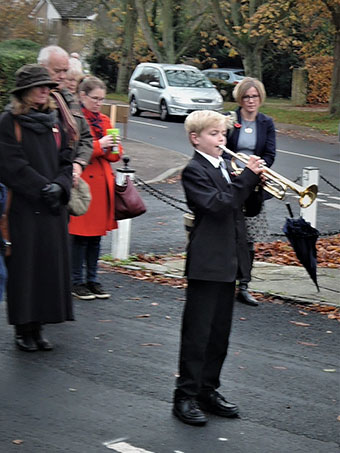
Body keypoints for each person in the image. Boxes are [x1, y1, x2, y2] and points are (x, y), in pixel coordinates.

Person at [173, 110, 265, 426]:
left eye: (223, 134)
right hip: (206, 261)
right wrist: (247, 179)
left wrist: (258, 184)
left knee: (218, 336)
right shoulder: (193, 171)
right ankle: (184, 396)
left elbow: (248, 208)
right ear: (195, 138)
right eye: (213, 134)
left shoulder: (228, 167)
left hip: (230, 260)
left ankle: (207, 391)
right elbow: (218, 206)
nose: (221, 140)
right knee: (197, 335)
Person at [0, 64, 74, 351]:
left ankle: (39, 325)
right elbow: (10, 164)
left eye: (48, 86)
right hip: (23, 208)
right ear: (24, 92)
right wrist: (43, 187)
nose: (46, 90)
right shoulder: (9, 122)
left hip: (53, 208)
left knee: (47, 267)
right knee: (24, 267)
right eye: (39, 86)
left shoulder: (55, 122)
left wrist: (61, 186)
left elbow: (66, 159)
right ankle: (23, 327)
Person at [68, 76, 123, 300]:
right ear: (82, 96)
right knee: (80, 237)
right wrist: (99, 147)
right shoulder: (75, 119)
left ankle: (92, 279)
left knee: (96, 238)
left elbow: (117, 154)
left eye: (102, 99)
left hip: (102, 187)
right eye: (95, 98)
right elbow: (74, 152)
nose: (99, 103)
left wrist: (112, 148)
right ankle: (76, 281)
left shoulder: (104, 120)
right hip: (84, 185)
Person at [225, 77, 276, 306]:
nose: (250, 100)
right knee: (228, 235)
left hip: (253, 185)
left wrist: (256, 168)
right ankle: (226, 281)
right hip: (232, 182)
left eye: (254, 96)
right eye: (246, 96)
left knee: (248, 240)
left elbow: (270, 154)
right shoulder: (229, 120)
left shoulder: (267, 123)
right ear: (240, 98)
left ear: (260, 97)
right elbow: (222, 149)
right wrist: (235, 169)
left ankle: (244, 285)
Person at [37, 45, 93, 188]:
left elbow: (86, 137)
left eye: (65, 71)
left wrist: (79, 164)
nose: (63, 76)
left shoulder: (70, 100)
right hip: (40, 183)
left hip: (66, 182)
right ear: (42, 67)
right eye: (57, 71)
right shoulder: (33, 100)